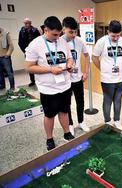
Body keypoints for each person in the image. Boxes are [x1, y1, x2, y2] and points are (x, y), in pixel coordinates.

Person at [25, 16, 75, 151]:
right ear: (45, 30)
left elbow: (69, 58)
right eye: (54, 34)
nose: (57, 37)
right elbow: (29, 67)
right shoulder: (35, 45)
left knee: (64, 111)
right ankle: (49, 138)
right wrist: (50, 69)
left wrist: (70, 64)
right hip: (48, 89)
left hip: (65, 85)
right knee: (49, 115)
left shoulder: (62, 41)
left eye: (59, 34)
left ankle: (67, 133)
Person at [92, 20, 122, 129]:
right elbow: (94, 58)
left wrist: (119, 65)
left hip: (121, 78)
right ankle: (107, 121)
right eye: (113, 36)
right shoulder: (102, 41)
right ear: (108, 32)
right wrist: (103, 69)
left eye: (118, 35)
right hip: (107, 79)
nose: (116, 38)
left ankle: (117, 120)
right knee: (107, 100)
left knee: (118, 100)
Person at [62, 17, 90, 136]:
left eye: (75, 31)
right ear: (64, 29)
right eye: (71, 32)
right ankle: (70, 124)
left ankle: (81, 121)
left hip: (78, 77)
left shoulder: (79, 41)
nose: (73, 34)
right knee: (66, 103)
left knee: (80, 101)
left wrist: (86, 72)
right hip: (65, 79)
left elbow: (87, 56)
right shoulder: (59, 42)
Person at [18, 18, 40, 87]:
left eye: (28, 23)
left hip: (37, 51)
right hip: (27, 52)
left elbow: (39, 41)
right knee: (30, 67)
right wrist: (24, 51)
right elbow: (20, 42)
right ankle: (32, 81)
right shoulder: (21, 31)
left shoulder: (35, 30)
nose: (27, 24)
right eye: (25, 23)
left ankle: (39, 80)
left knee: (38, 66)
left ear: (31, 23)